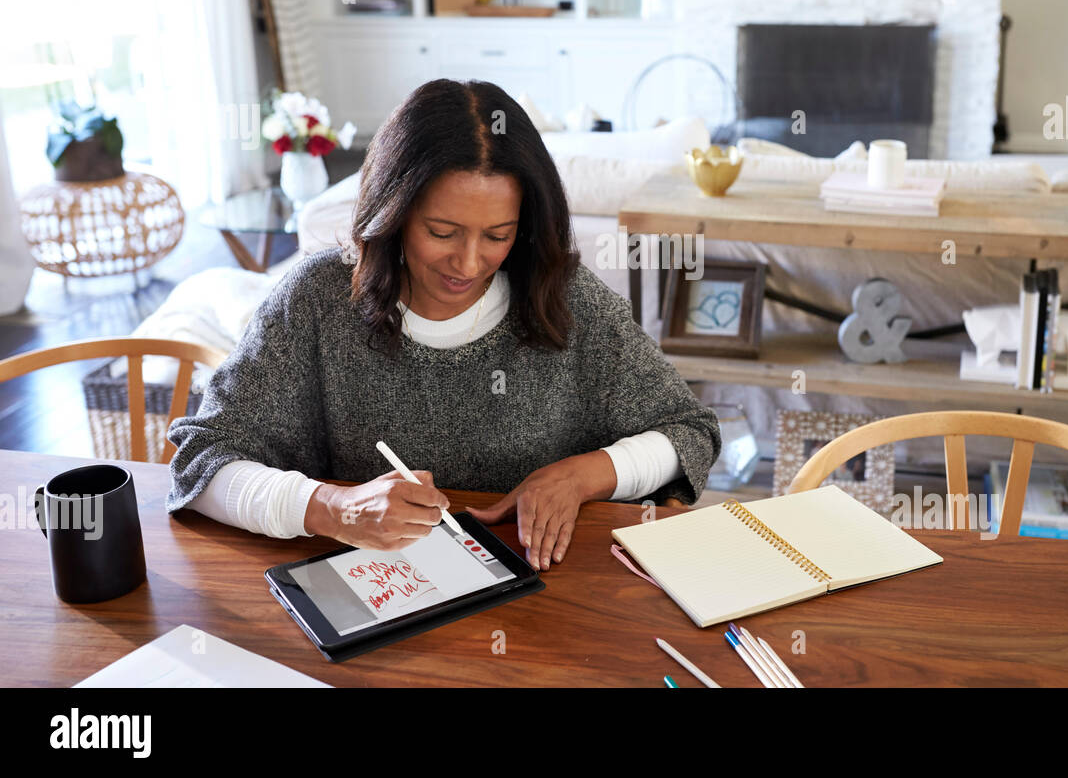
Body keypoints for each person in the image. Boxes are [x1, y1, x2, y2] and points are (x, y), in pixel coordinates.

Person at [166, 79, 720, 572]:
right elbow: (201, 462)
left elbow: (690, 432)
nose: (469, 263)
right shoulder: (317, 299)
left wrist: (582, 475)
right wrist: (333, 508)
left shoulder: (565, 299)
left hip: (540, 614)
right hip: (374, 602)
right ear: (394, 211)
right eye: (442, 231)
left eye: (498, 235)